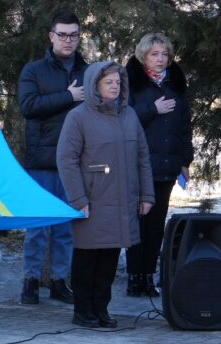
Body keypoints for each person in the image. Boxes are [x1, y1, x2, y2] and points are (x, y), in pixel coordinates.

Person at [57, 61, 154, 328]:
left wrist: (147, 195)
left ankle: (101, 309)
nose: (114, 86)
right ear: (94, 85)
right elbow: (66, 159)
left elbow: (143, 157)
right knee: (88, 257)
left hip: (123, 199)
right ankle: (82, 311)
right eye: (108, 82)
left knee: (109, 259)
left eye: (117, 82)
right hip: (93, 199)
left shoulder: (130, 115)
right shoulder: (78, 117)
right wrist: (78, 199)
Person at [16, 10, 88, 305]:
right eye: (62, 34)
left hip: (75, 160)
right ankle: (30, 281)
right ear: (51, 36)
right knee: (37, 227)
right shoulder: (33, 71)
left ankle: (60, 281)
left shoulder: (88, 71)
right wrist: (68, 97)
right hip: (41, 159)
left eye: (73, 35)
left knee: (65, 228)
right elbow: (28, 106)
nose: (68, 40)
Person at [125, 33, 192, 297]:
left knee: (156, 226)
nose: (160, 59)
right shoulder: (132, 83)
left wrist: (186, 160)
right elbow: (125, 119)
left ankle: (148, 276)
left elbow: (184, 127)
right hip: (139, 165)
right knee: (138, 223)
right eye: (155, 54)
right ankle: (133, 276)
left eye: (164, 54)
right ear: (144, 56)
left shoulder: (176, 84)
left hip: (167, 165)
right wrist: (152, 109)